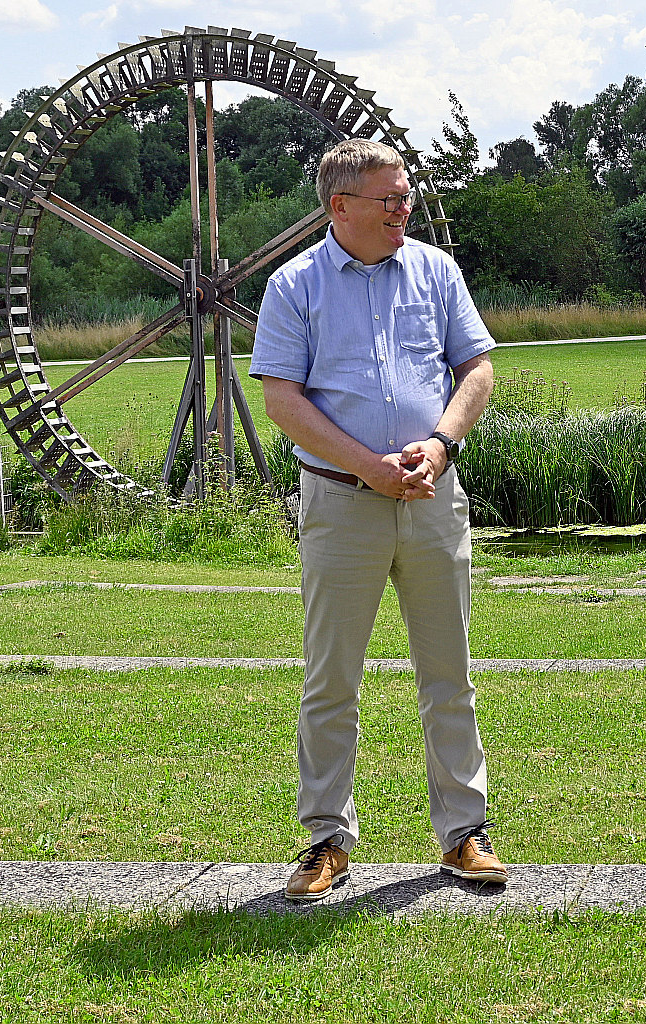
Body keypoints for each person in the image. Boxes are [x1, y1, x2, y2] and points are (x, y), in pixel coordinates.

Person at [251, 138, 502, 901]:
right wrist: (368, 465)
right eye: (389, 199)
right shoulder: (293, 286)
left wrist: (441, 442)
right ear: (341, 206)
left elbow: (477, 368)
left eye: (406, 198)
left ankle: (465, 835)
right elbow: (281, 399)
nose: (404, 210)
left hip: (432, 498)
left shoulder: (436, 270)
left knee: (448, 674)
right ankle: (326, 840)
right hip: (341, 506)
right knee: (331, 680)